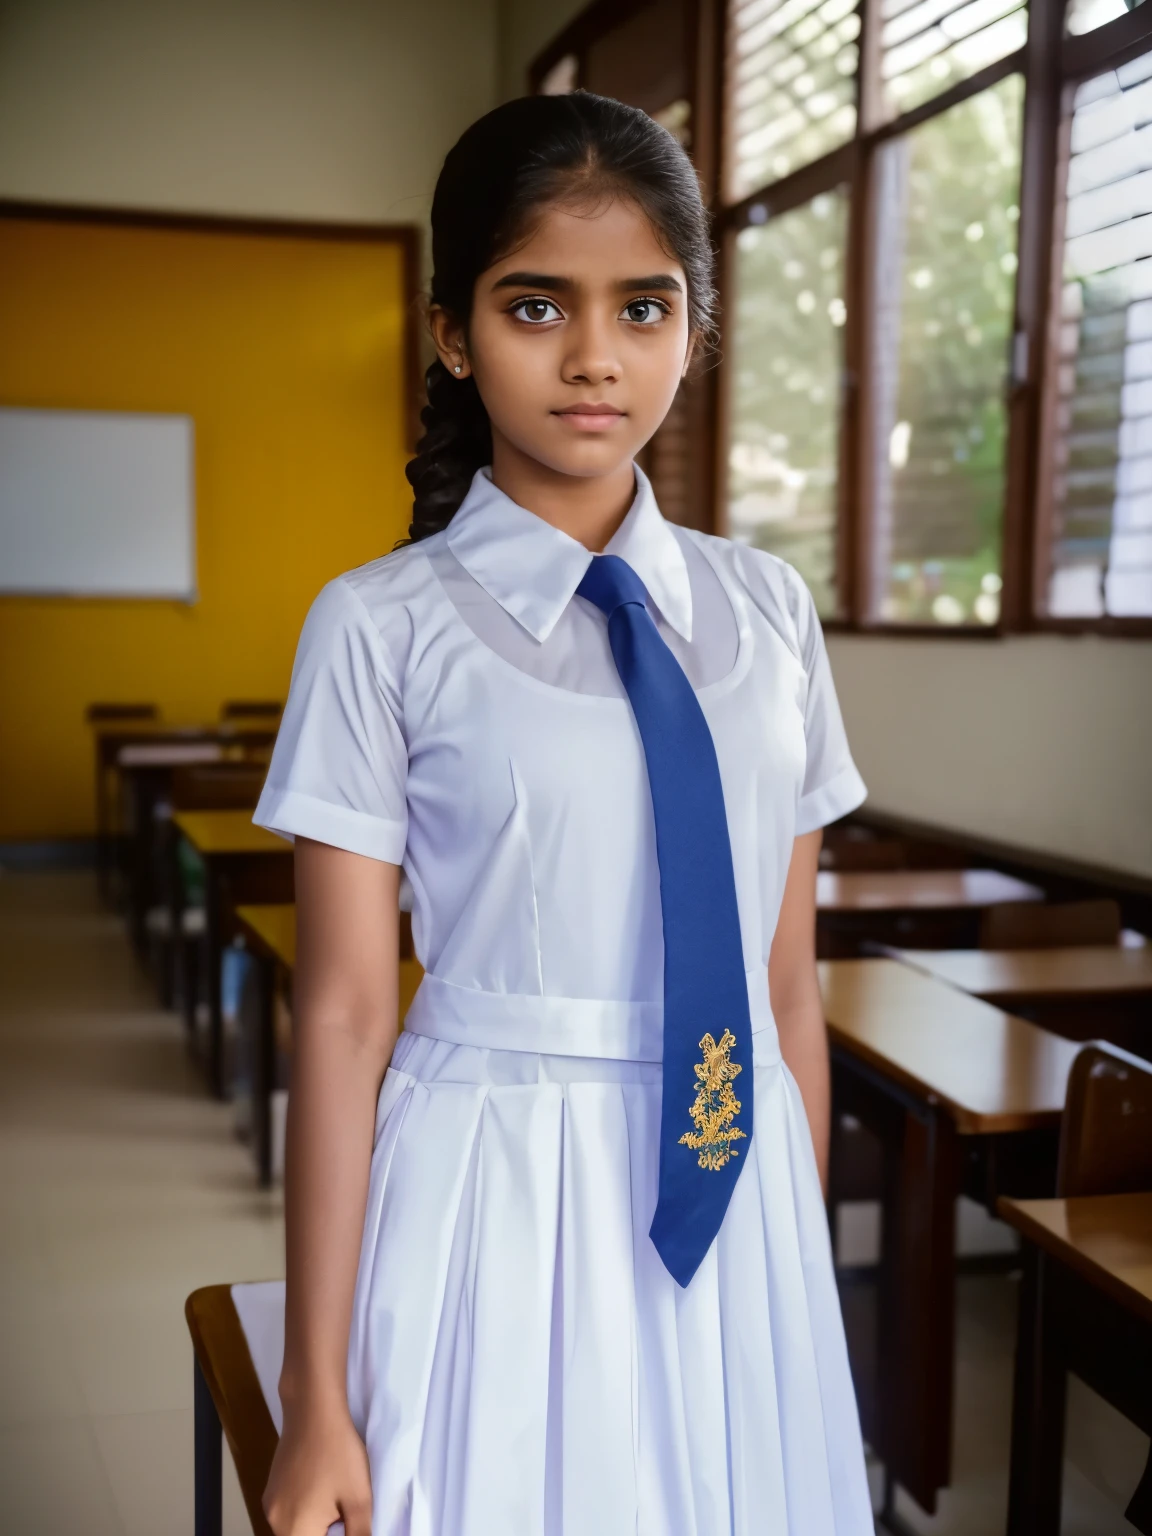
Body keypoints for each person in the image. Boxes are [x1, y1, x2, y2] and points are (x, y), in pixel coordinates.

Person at [254, 90, 873, 1536]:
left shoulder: (769, 612)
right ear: (454, 332)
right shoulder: (377, 627)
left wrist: (794, 1271)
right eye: (537, 306)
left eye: (644, 308)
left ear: (696, 332)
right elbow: (344, 1015)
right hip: (500, 1188)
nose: (596, 358)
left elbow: (788, 994)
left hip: (739, 1188)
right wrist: (315, 1391)